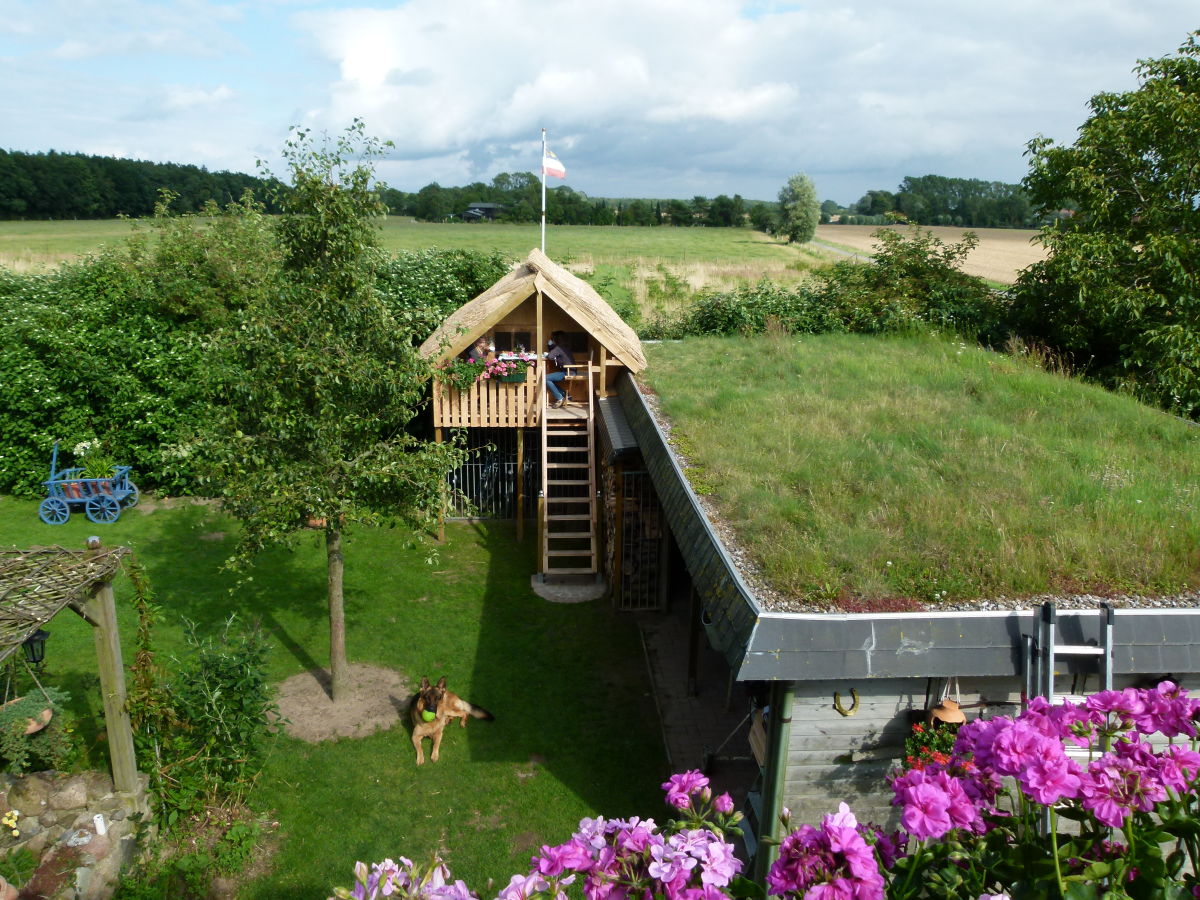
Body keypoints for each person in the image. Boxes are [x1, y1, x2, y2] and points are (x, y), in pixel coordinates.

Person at [544, 331, 574, 408]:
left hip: (567, 372)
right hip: (571, 371)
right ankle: (565, 396)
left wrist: (549, 346)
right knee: (548, 379)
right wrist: (550, 345)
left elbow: (550, 356)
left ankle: (560, 398)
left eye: (553, 338)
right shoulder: (564, 347)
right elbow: (553, 351)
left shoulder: (559, 348)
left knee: (545, 378)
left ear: (556, 339)